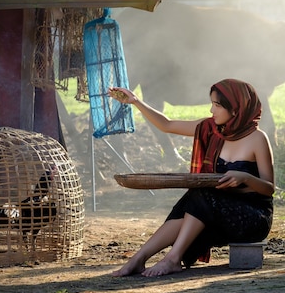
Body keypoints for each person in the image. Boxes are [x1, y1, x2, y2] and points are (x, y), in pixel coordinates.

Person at [108, 79, 275, 277]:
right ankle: (139, 258)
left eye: (217, 105)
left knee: (202, 193)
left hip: (252, 217)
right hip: (215, 213)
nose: (212, 110)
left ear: (236, 109)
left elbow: (269, 188)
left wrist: (246, 177)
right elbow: (167, 125)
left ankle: (172, 258)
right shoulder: (211, 129)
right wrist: (135, 101)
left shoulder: (257, 138)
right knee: (194, 197)